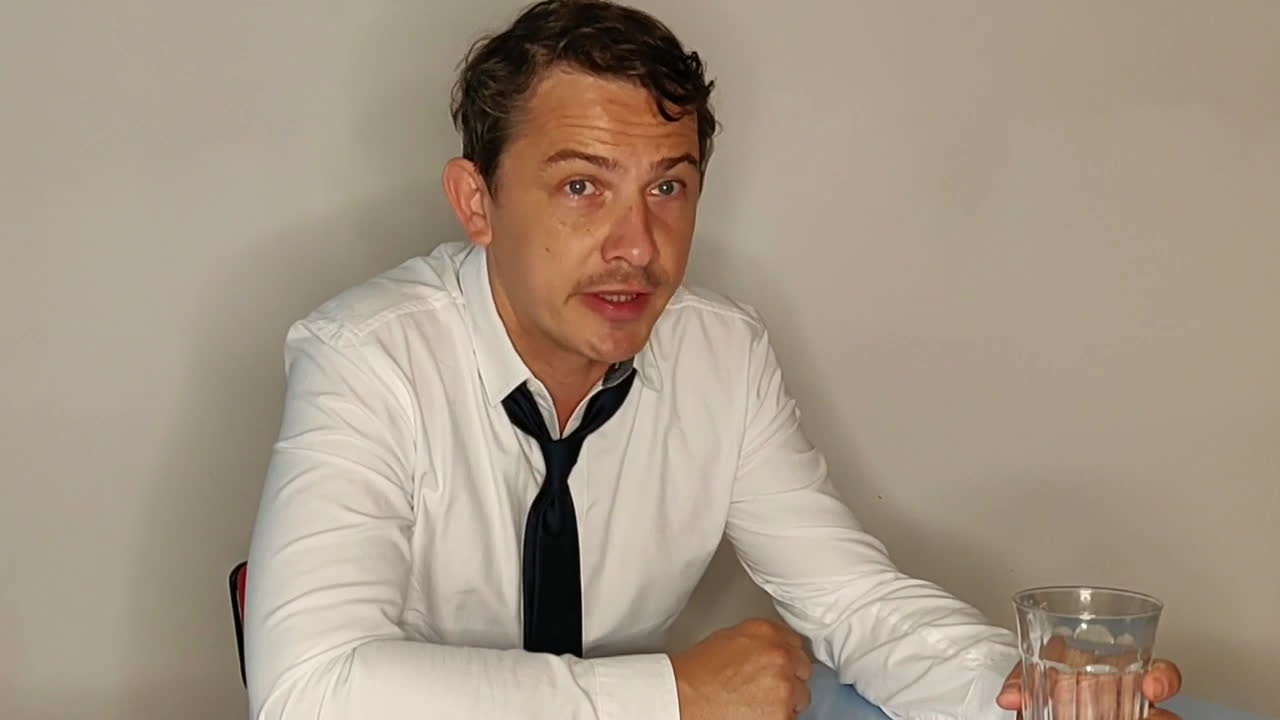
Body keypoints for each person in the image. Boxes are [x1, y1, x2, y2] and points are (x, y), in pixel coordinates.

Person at [243, 1, 1184, 718]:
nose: (636, 246)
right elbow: (309, 689)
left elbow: (853, 601)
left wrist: (1020, 692)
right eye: (582, 186)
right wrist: (671, 695)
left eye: (668, 188)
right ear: (476, 202)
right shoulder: (365, 357)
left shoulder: (721, 353)